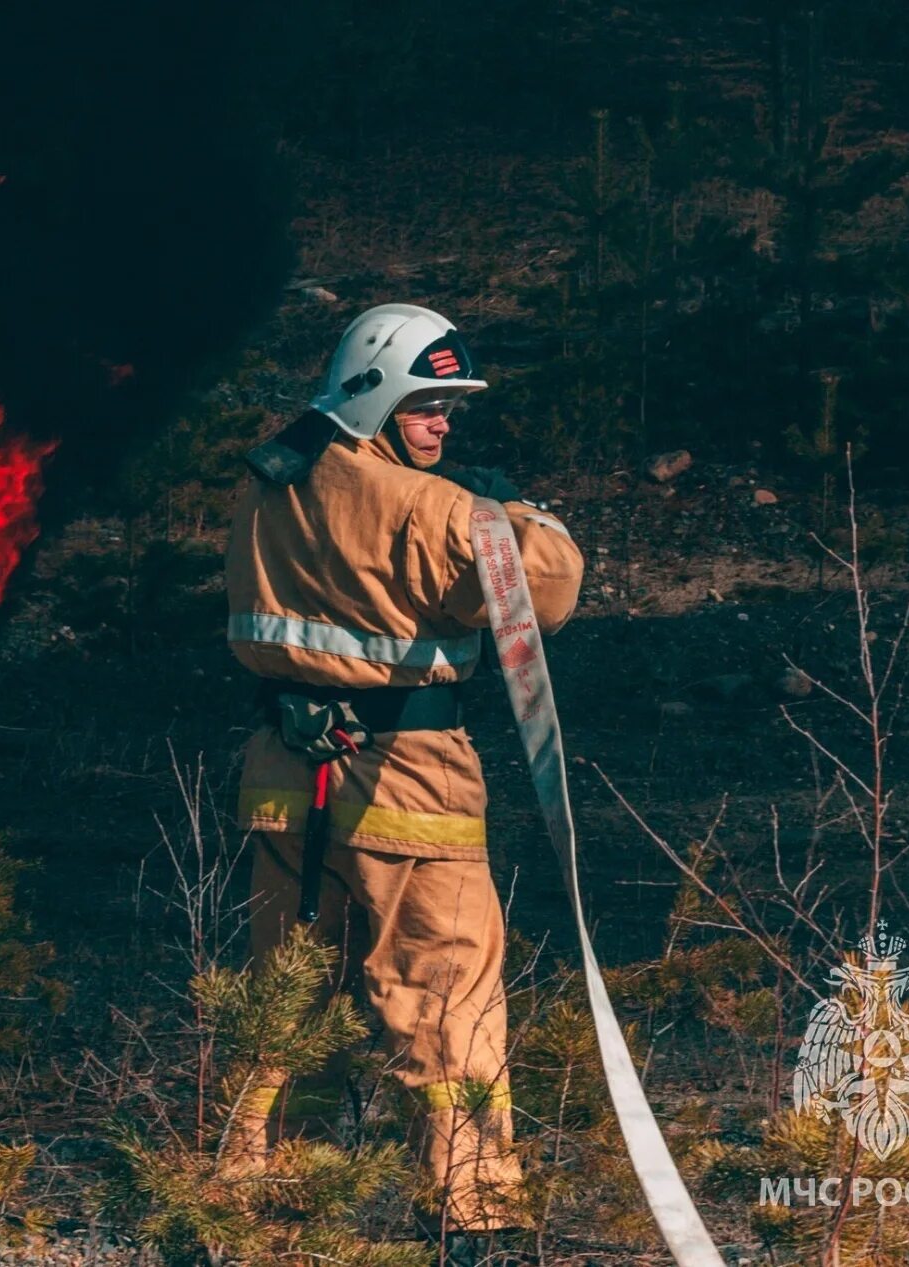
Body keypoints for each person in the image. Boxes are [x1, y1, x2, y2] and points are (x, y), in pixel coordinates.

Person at [224, 303, 585, 1257]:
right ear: (378, 397)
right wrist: (519, 513)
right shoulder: (441, 512)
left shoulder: (269, 484)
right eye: (428, 405)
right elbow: (548, 586)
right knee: (445, 994)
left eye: (450, 409)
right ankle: (473, 1214)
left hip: (285, 777)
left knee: (281, 997)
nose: (443, 426)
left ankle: (251, 1205)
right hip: (406, 789)